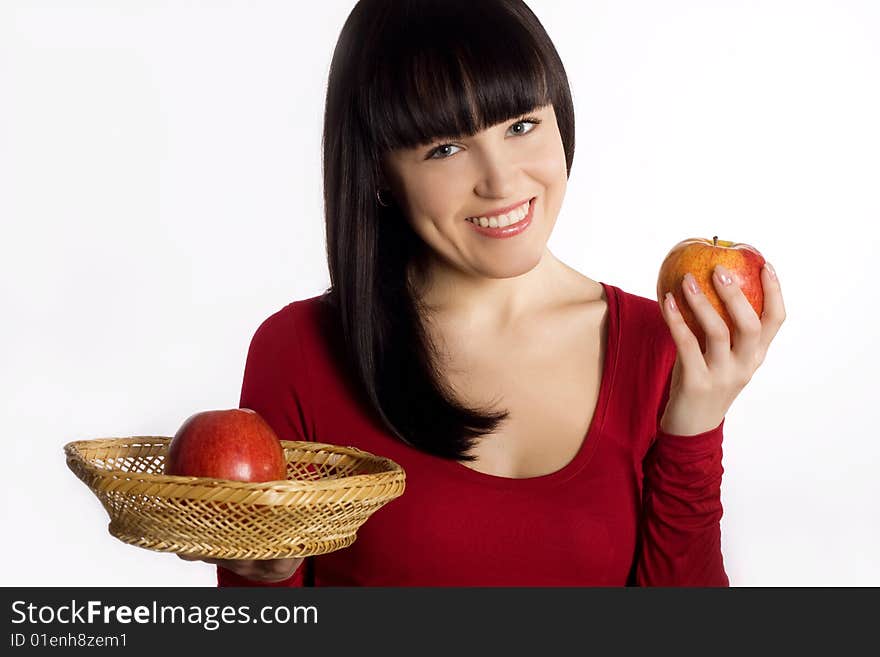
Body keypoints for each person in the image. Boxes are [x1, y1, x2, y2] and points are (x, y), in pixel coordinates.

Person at [180, 0, 786, 586]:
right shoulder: (300, 353)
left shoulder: (662, 344)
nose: (500, 182)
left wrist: (695, 427)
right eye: (445, 148)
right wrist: (260, 574)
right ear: (380, 172)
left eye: (522, 125)